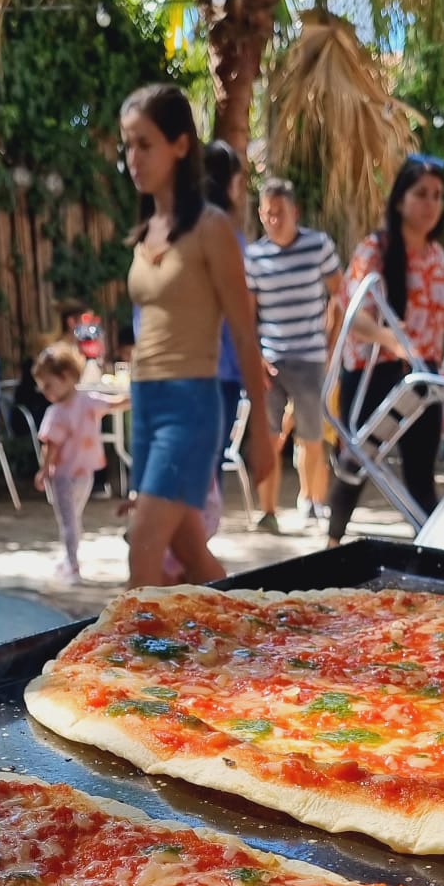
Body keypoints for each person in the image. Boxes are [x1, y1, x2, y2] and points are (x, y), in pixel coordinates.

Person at [121, 83, 272, 586]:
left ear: (180, 145)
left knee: (142, 546)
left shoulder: (212, 229)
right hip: (145, 400)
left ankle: (124, 666)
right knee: (187, 550)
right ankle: (250, 630)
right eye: (127, 144)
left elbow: (245, 336)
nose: (133, 157)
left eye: (145, 144)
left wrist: (262, 433)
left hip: (191, 403)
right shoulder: (146, 233)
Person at [326, 154, 444, 545]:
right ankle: (330, 548)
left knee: (420, 475)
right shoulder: (374, 249)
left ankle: (434, 556)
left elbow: (433, 321)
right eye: (421, 194)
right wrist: (390, 340)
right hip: (373, 376)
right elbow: (352, 316)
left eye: (437, 195)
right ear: (400, 200)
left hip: (423, 377)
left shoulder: (437, 255)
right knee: (355, 466)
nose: (430, 204)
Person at [244, 177, 344, 531]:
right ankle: (268, 511)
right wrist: (255, 356)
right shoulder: (254, 257)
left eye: (280, 214)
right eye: (268, 214)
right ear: (260, 213)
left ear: (295, 212)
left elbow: (339, 295)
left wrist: (331, 346)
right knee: (269, 436)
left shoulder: (318, 246)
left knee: (311, 435)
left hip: (310, 355)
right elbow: (247, 313)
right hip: (270, 359)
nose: (274, 220)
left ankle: (311, 501)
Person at [33, 339, 127, 582]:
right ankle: (70, 559)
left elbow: (51, 448)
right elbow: (115, 404)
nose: (45, 392)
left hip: (64, 475)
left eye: (47, 386)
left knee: (68, 521)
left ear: (65, 377)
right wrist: (138, 396)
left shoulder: (57, 412)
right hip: (86, 473)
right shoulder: (88, 400)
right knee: (74, 518)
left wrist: (44, 471)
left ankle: (72, 564)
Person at [201, 139, 248, 540]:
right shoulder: (224, 235)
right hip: (218, 372)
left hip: (188, 374)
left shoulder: (175, 229)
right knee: (208, 470)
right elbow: (243, 318)